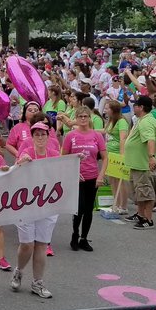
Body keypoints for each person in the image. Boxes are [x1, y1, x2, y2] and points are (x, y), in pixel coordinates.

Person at [13, 122, 57, 299]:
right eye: (36, 134)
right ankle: (19, 270)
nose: (40, 137)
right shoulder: (26, 152)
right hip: (26, 204)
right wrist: (21, 163)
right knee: (27, 244)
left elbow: (63, 171)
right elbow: (15, 172)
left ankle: (37, 282)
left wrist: (75, 168)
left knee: (41, 244)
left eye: (43, 134)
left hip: (47, 204)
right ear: (32, 137)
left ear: (48, 136)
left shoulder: (54, 154)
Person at [61, 107, 106, 251]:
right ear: (76, 118)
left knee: (88, 210)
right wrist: (71, 173)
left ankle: (84, 238)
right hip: (77, 178)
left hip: (92, 177)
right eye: (80, 116)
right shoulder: (70, 136)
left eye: (85, 116)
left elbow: (105, 158)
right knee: (79, 208)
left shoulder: (96, 135)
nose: (83, 119)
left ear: (90, 118)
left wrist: (101, 176)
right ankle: (75, 234)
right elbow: (63, 158)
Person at [124, 96, 156, 230]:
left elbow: (150, 140)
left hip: (143, 164)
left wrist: (151, 157)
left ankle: (148, 219)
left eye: (136, 105)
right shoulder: (142, 120)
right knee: (139, 192)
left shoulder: (146, 122)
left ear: (141, 107)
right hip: (137, 163)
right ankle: (140, 214)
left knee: (146, 192)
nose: (133, 108)